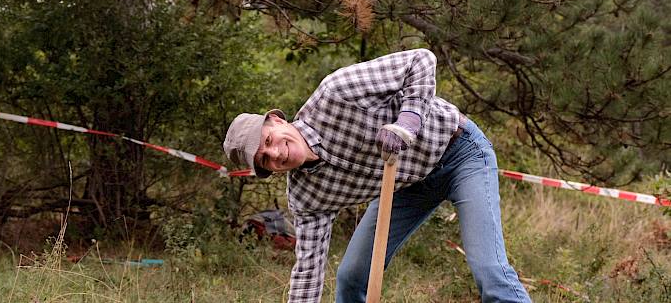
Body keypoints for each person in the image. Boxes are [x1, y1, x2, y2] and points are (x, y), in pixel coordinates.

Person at [223, 49, 531, 303]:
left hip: (460, 152)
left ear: (276, 120)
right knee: (351, 279)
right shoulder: (307, 197)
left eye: (268, 141)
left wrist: (409, 119)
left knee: (490, 272)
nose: (275, 153)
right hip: (408, 186)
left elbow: (420, 60)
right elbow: (308, 273)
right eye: (265, 161)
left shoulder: (336, 94)